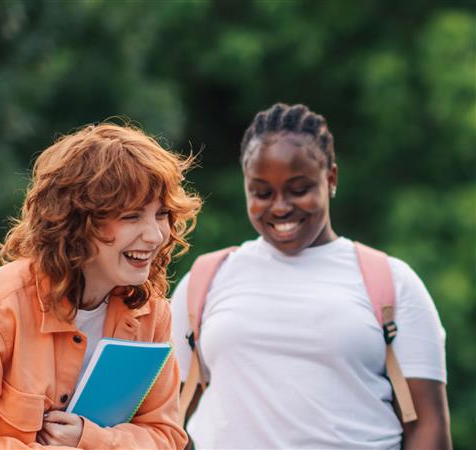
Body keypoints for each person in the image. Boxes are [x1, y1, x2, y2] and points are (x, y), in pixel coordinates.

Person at [0, 123, 201, 449]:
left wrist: (92, 440)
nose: (155, 235)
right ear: (77, 222)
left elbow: (167, 437)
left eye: (161, 214)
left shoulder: (151, 312)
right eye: (131, 217)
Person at [171, 103, 451, 449]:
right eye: (261, 192)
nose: (280, 207)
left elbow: (428, 428)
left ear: (330, 178)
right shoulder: (205, 280)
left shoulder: (392, 283)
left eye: (298, 189)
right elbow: (166, 419)